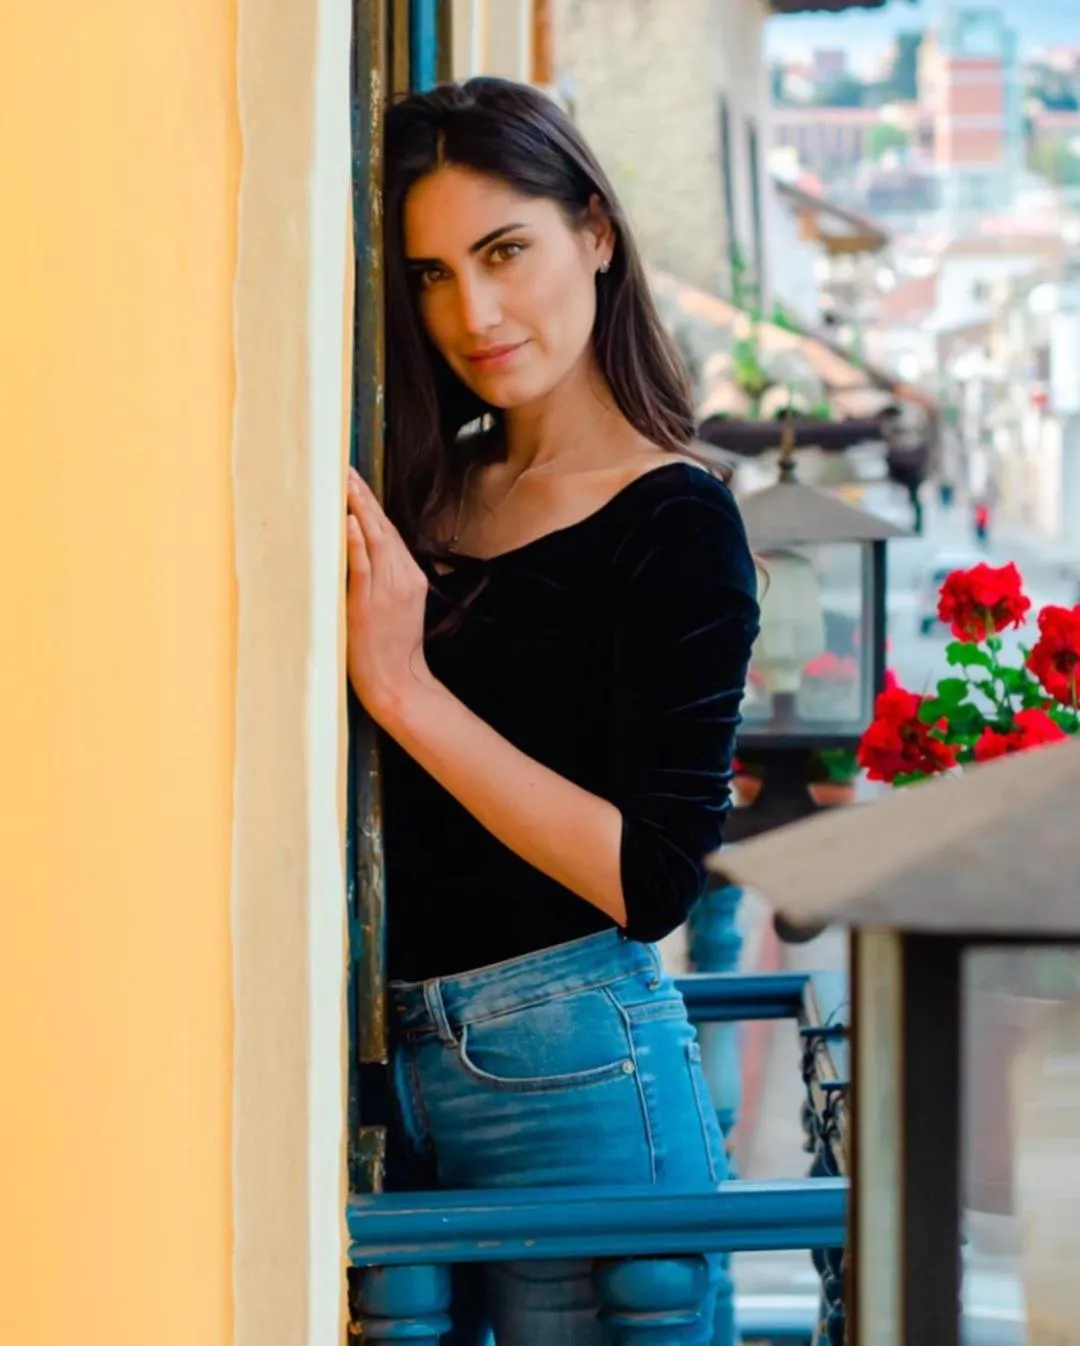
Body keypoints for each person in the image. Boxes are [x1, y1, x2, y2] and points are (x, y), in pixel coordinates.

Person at [344, 77, 759, 1345]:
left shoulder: (677, 520)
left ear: (594, 230)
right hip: (378, 1054)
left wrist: (405, 689)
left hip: (573, 1066)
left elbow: (654, 876)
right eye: (428, 274)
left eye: (504, 250)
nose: (471, 311)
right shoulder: (429, 484)